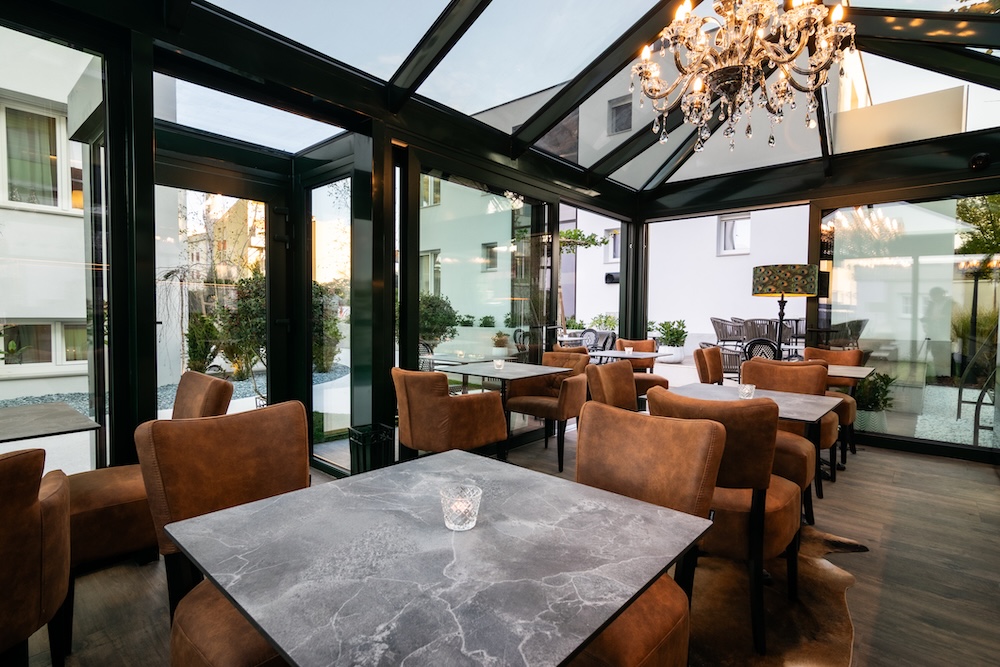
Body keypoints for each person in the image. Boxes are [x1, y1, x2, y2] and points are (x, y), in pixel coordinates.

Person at [921, 287, 953, 378]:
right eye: (932, 296)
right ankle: (938, 374)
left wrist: (941, 317)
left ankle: (946, 375)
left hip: (945, 334)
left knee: (945, 354)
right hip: (933, 333)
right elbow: (926, 316)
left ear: (941, 294)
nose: (934, 298)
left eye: (935, 296)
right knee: (935, 353)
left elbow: (951, 317)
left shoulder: (948, 303)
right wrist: (926, 321)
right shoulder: (931, 304)